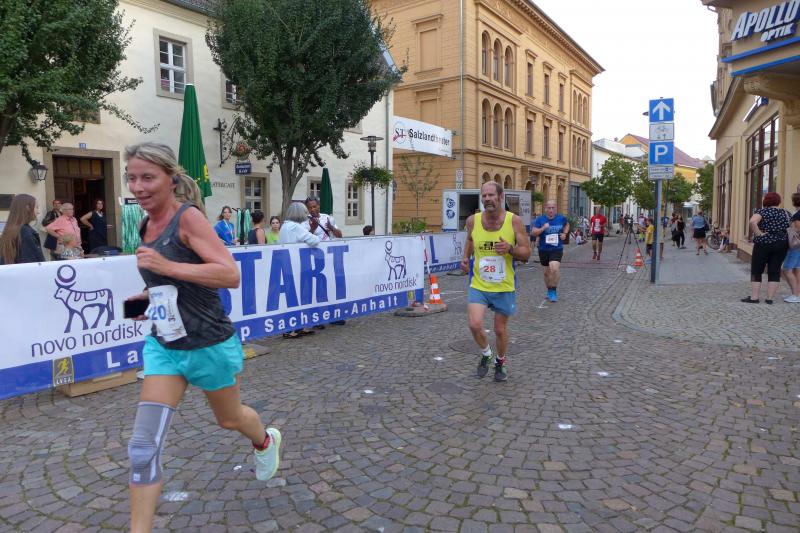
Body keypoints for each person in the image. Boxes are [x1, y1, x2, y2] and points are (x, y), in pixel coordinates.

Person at [122, 142, 280, 533]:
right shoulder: (144, 224)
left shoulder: (188, 218)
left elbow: (229, 274)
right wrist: (147, 298)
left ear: (170, 178)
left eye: (147, 177)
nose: (138, 186)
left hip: (208, 344)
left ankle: (265, 441)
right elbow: (168, 282)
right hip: (165, 345)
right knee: (142, 447)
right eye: (131, 177)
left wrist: (166, 266)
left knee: (229, 419)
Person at [460, 182, 530, 382]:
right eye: (484, 196)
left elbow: (526, 253)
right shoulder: (473, 221)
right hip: (479, 283)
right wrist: (465, 257)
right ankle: (486, 354)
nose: (487, 199)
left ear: (501, 197)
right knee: (474, 324)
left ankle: (500, 361)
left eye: (491, 195)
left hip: (503, 285)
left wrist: (510, 249)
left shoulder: (514, 221)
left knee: (499, 329)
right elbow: (471, 239)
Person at [279, 202, 322, 338]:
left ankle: (297, 326)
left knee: (292, 296)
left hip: (288, 265)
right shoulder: (295, 227)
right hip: (298, 266)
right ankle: (292, 329)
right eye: (305, 212)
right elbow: (314, 240)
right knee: (299, 296)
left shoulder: (284, 226)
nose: (306, 214)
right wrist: (311, 230)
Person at [742, 192, 790, 304]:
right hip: (781, 244)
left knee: (756, 270)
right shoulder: (786, 213)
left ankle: (754, 297)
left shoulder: (763, 211)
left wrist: (759, 234)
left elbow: (752, 222)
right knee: (775, 270)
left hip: (763, 244)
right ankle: (769, 299)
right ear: (778, 201)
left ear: (766, 201)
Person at [531, 200, 569, 302]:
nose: (551, 210)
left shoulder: (561, 218)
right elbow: (533, 232)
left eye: (553, 208)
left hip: (556, 248)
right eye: (549, 208)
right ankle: (549, 290)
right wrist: (543, 228)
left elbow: (567, 225)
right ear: (545, 209)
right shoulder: (540, 219)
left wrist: (564, 233)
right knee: (546, 273)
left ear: (556, 209)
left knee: (554, 268)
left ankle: (553, 290)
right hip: (543, 249)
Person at [0, 194, 44, 265]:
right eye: (37, 207)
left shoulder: (10, 229)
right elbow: (32, 265)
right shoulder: (26, 233)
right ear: (28, 208)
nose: (38, 212)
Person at [782, 192, 800, 303]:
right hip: (798, 246)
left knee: (787, 269)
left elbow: (797, 230)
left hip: (795, 246)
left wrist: (789, 229)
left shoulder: (797, 215)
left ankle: (795, 295)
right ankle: (797, 294)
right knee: (797, 269)